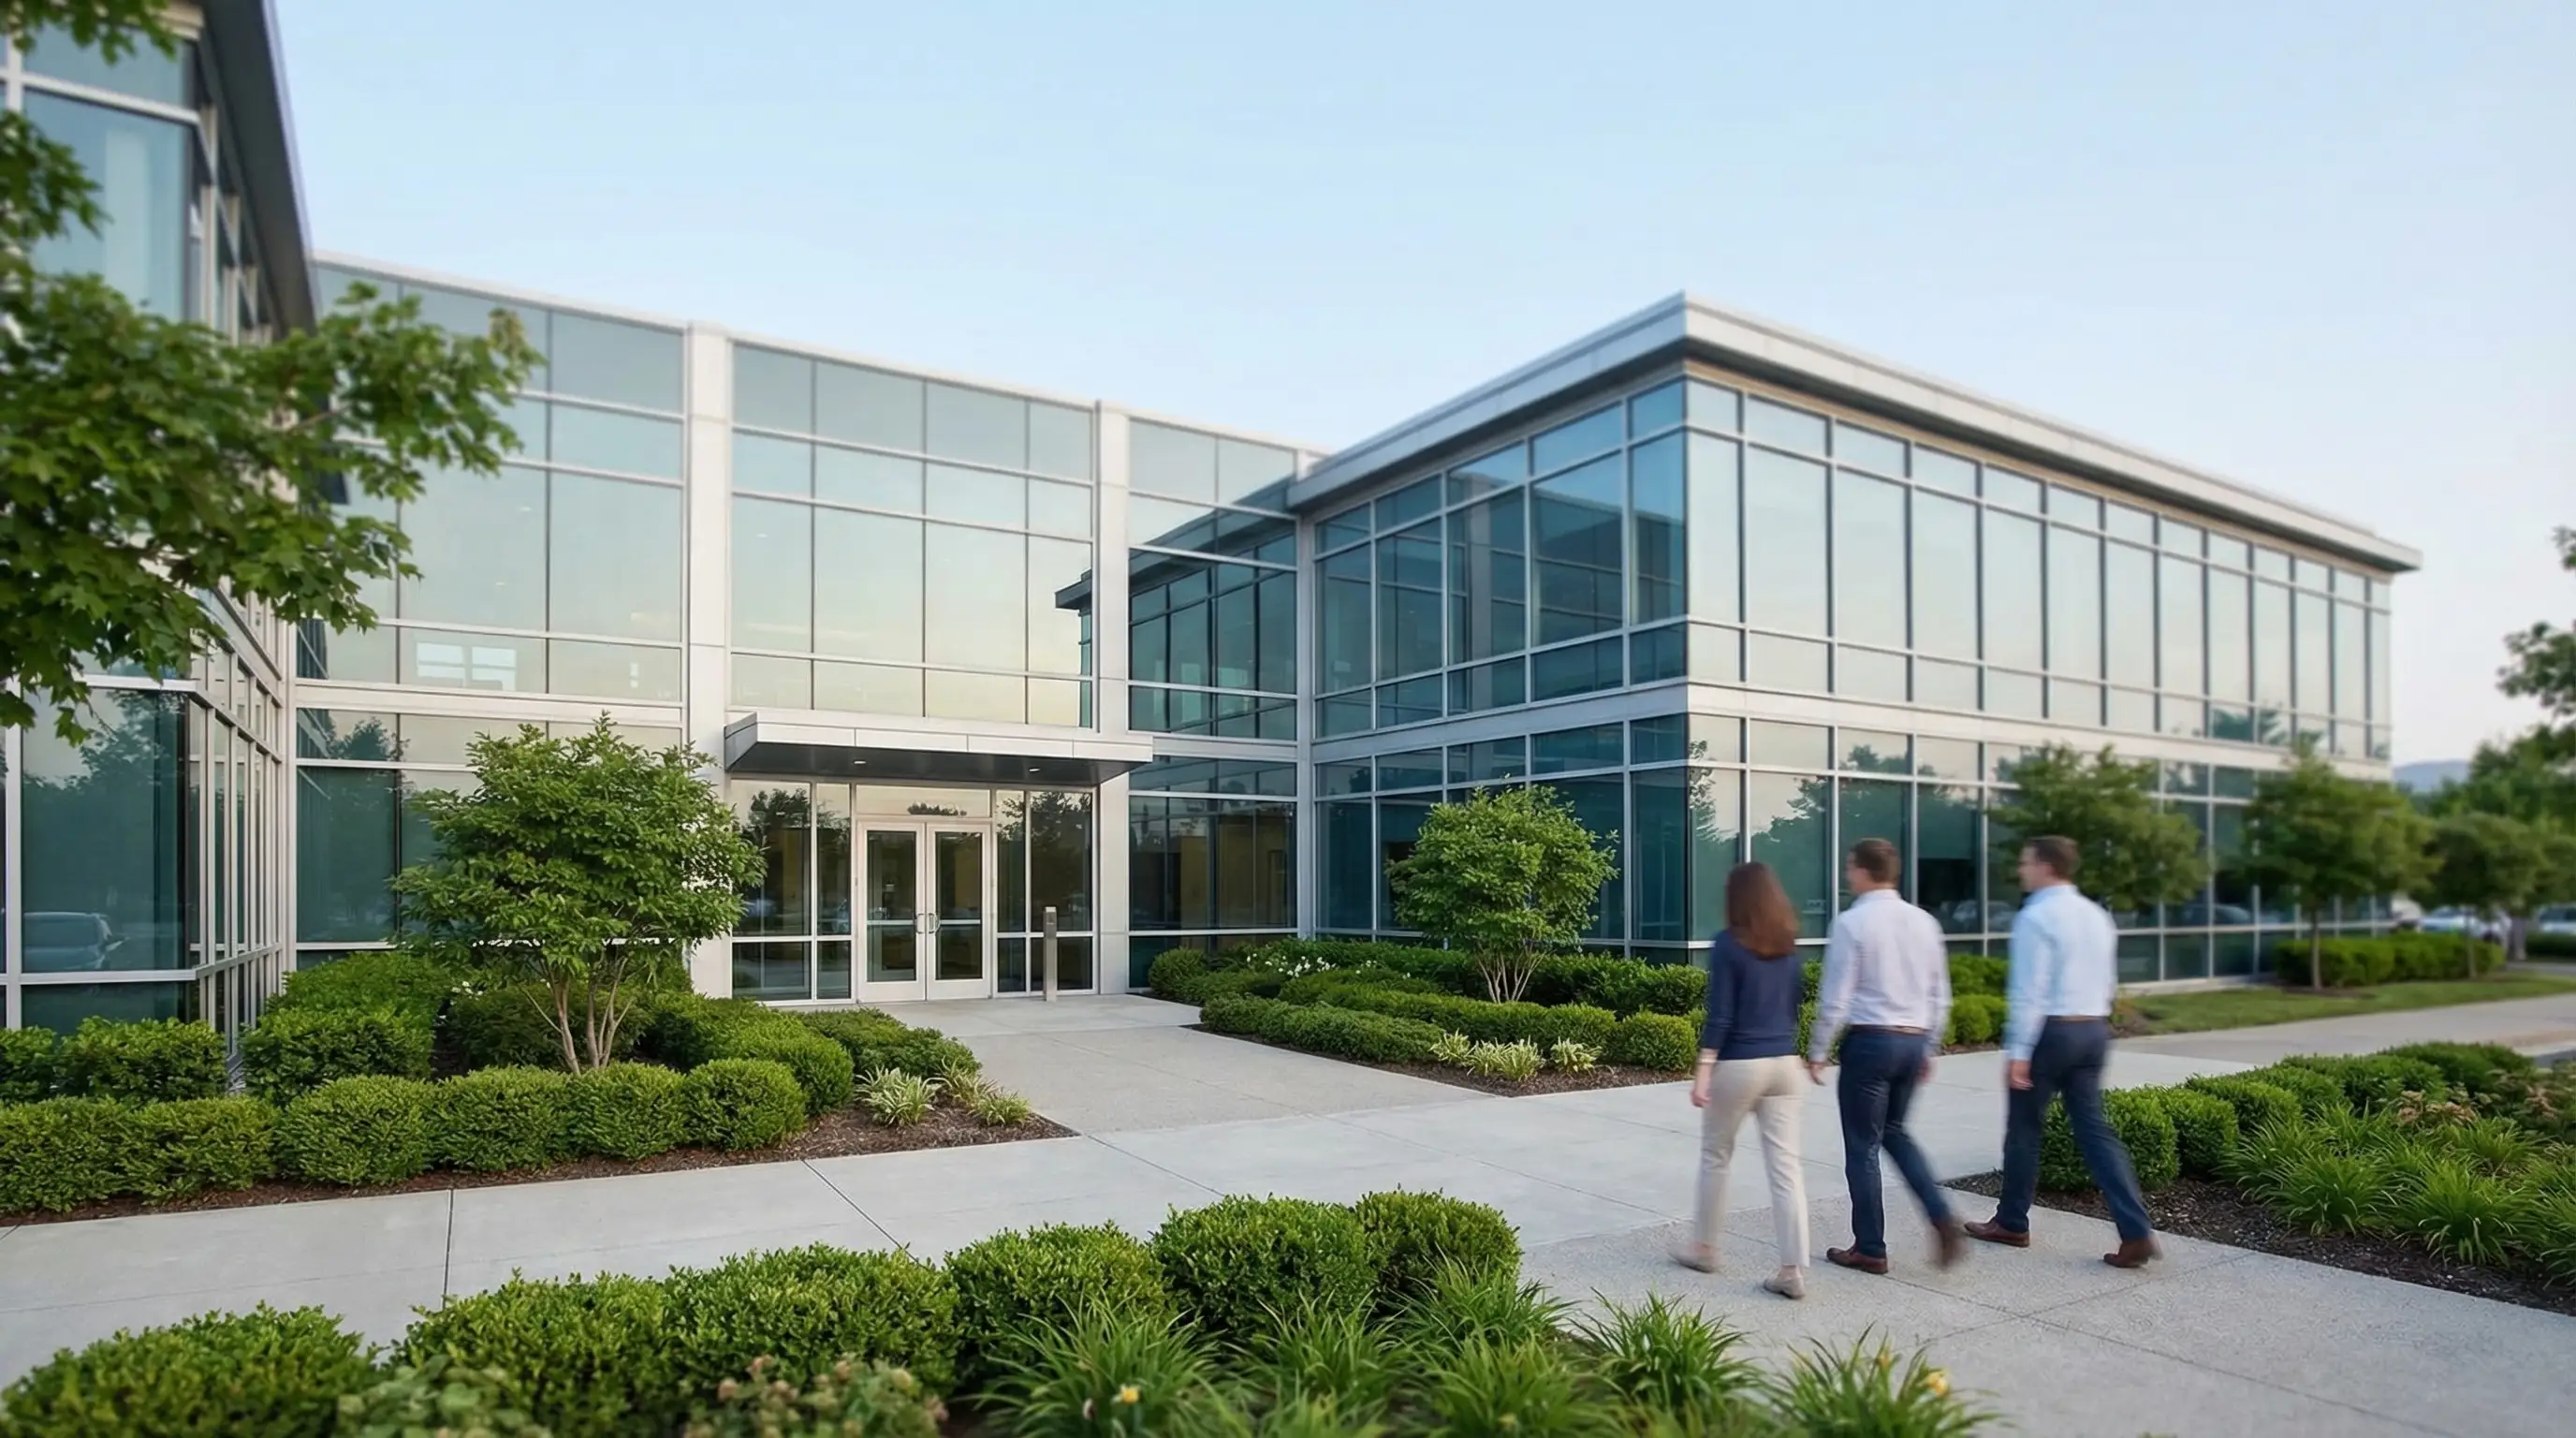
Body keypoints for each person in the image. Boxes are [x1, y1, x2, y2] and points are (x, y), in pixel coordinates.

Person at [1965, 836, 2159, 1268]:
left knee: (2024, 1129)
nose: (2021, 870)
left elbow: (2029, 991)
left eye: (2025, 862)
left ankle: (2012, 1222)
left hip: (2050, 1034)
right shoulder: (2096, 915)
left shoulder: (2036, 917)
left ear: (2046, 866)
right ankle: (2136, 1231)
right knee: (2094, 1132)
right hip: (2092, 1030)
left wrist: (2018, 1051)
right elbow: (2108, 981)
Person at [1808, 837, 1963, 1275]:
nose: (1845, 874)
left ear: (1861, 870)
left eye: (1848, 867)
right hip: (1913, 1040)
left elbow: (1836, 995)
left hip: (1871, 1042)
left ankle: (1870, 1248)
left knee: (1862, 1146)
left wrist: (1818, 1049)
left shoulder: (1853, 923)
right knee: (1895, 1131)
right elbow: (1941, 994)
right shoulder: (1925, 923)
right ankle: (1939, 1215)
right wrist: (1929, 1045)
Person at [1679, 861, 1811, 1299]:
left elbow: (1721, 1013)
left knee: (1715, 1155)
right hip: (1785, 1064)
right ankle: (1792, 1270)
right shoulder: (1788, 946)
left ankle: (1705, 1248)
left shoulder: (1727, 944)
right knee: (1786, 1168)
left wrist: (1703, 1069)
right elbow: (1795, 1006)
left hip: (1741, 1063)